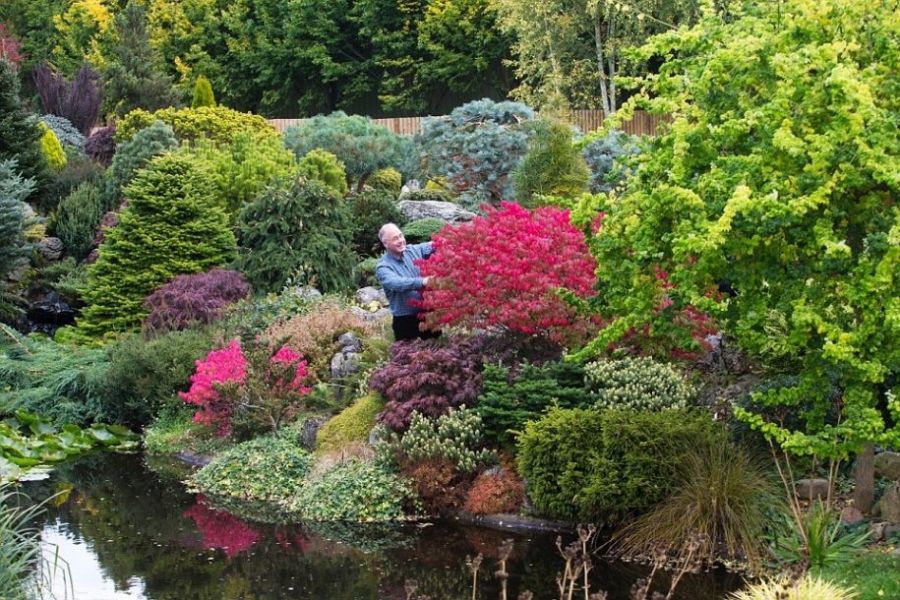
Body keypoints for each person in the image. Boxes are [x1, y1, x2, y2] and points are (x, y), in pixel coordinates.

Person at [375, 223, 440, 341]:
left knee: (438, 351)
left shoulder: (414, 250)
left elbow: (435, 245)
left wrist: (453, 238)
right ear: (385, 243)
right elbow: (396, 283)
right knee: (409, 356)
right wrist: (423, 282)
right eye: (395, 238)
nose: (400, 240)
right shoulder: (383, 267)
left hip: (428, 314)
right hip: (405, 320)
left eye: (400, 236)